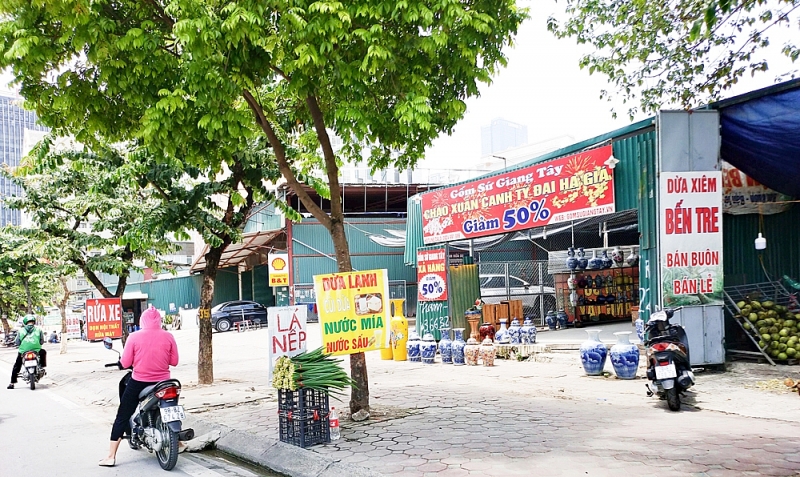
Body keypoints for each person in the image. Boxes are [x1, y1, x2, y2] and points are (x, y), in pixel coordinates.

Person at [99, 305, 178, 467]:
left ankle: (111, 456)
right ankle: (180, 443)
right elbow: (174, 362)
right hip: (164, 382)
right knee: (171, 410)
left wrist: (123, 363)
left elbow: (126, 362)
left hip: (140, 382)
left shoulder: (134, 337)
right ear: (159, 321)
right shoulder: (168, 336)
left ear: (142, 320)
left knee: (122, 415)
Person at [8, 315, 46, 389]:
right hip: (36, 351)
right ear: (34, 322)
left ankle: (12, 383)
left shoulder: (21, 330)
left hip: (23, 351)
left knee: (17, 366)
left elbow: (17, 342)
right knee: (43, 352)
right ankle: (41, 366)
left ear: (25, 322)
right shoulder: (38, 330)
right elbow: (41, 341)